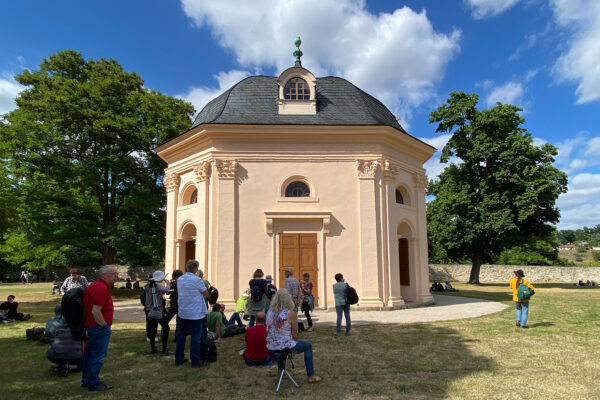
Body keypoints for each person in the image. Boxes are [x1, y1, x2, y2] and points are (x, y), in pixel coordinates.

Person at [266, 289, 321, 383]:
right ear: (288, 300)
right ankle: (310, 376)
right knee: (307, 345)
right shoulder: (290, 313)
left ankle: (280, 371)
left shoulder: (270, 312)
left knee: (280, 343)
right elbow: (295, 335)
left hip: (271, 345)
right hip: (283, 346)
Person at [82, 265, 118, 392]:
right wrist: (104, 327)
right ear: (105, 275)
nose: (116, 276)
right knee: (97, 356)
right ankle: (94, 383)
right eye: (113, 273)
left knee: (90, 354)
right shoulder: (100, 288)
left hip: (93, 326)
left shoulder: (97, 286)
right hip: (98, 327)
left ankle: (87, 380)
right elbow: (95, 311)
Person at [175, 259, 210, 367]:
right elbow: (206, 294)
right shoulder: (197, 280)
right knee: (195, 336)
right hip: (195, 313)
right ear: (196, 269)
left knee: (181, 336)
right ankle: (195, 360)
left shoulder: (180, 279)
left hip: (183, 311)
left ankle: (178, 358)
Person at [143, 270, 172, 355]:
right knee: (166, 328)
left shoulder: (148, 286)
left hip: (149, 309)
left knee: (152, 329)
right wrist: (168, 283)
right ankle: (164, 348)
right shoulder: (158, 286)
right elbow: (167, 291)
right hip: (157, 310)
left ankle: (153, 348)